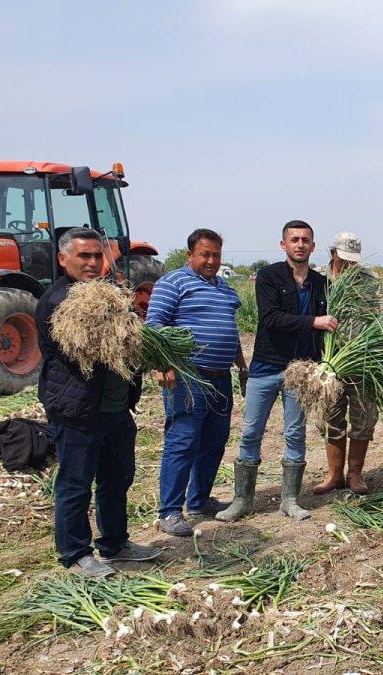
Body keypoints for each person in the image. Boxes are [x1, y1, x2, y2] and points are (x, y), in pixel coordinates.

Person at [35, 227, 160, 578]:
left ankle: (115, 544)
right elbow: (98, 345)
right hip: (77, 409)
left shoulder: (108, 294)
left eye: (96, 255)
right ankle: (75, 554)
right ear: (63, 259)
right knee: (76, 483)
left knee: (117, 478)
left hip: (116, 407)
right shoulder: (59, 302)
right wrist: (133, 330)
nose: (92, 262)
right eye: (83, 256)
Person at [217, 220, 338, 523]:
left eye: (305, 240)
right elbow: (270, 318)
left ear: (312, 246)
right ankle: (242, 500)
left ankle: (290, 500)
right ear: (284, 244)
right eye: (294, 239)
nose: (300, 244)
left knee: (295, 433)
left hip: (302, 370)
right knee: (251, 432)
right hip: (266, 366)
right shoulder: (269, 276)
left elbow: (332, 324)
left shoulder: (321, 283)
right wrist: (314, 322)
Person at [146, 228, 248, 537]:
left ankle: (199, 500)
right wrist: (163, 364)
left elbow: (229, 329)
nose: (212, 261)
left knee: (215, 440)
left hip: (221, 378)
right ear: (190, 254)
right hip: (189, 377)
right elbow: (154, 327)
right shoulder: (173, 283)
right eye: (205, 255)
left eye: (216, 255)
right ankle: (169, 511)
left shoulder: (224, 288)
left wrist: (241, 366)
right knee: (183, 440)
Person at [313, 231, 382, 495]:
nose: (348, 264)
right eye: (343, 258)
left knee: (364, 420)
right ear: (333, 253)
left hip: (362, 362)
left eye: (353, 259)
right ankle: (334, 475)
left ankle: (355, 474)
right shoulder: (319, 279)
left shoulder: (369, 281)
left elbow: (380, 318)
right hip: (329, 362)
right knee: (329, 417)